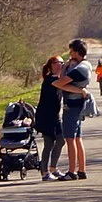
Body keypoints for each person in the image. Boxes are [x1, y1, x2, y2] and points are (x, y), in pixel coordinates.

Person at [56, 40, 93, 179]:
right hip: (77, 103)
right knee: (78, 138)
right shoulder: (84, 65)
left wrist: (76, 89)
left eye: (71, 51)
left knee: (70, 138)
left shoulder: (80, 69)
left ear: (77, 52)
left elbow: (59, 82)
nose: (70, 54)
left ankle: (72, 172)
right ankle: (81, 170)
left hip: (72, 104)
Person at [35, 56, 66, 179]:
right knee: (49, 144)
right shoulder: (51, 80)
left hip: (55, 116)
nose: (61, 65)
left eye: (62, 63)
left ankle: (53, 168)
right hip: (46, 117)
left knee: (61, 140)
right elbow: (64, 84)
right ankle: (45, 173)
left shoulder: (58, 79)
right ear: (51, 65)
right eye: (58, 63)